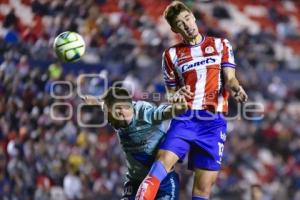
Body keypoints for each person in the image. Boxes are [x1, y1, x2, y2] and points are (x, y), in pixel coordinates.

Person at [135, 1, 248, 200]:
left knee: (203, 189)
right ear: (174, 28)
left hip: (214, 123)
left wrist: (236, 87)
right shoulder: (171, 55)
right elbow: (171, 94)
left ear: (193, 17)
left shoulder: (221, 45)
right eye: (180, 23)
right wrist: (175, 96)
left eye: (187, 18)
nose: (187, 25)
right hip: (186, 117)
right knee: (161, 164)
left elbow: (230, 77)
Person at [82, 86, 189, 200]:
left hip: (163, 183)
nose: (108, 120)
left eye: (108, 115)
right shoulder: (115, 109)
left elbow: (162, 112)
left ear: (120, 111)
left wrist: (177, 108)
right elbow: (104, 105)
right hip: (135, 182)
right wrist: (95, 101)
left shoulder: (145, 113)